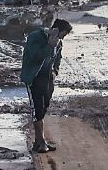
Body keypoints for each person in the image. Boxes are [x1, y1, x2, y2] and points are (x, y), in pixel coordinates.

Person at [21, 18, 73, 154]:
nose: (63, 37)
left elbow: (58, 59)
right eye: (63, 34)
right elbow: (35, 56)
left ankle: (39, 142)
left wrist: (55, 71)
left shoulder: (59, 43)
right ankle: (42, 142)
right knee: (37, 109)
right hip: (33, 78)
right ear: (55, 30)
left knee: (44, 107)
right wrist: (49, 46)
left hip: (47, 79)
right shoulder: (35, 38)